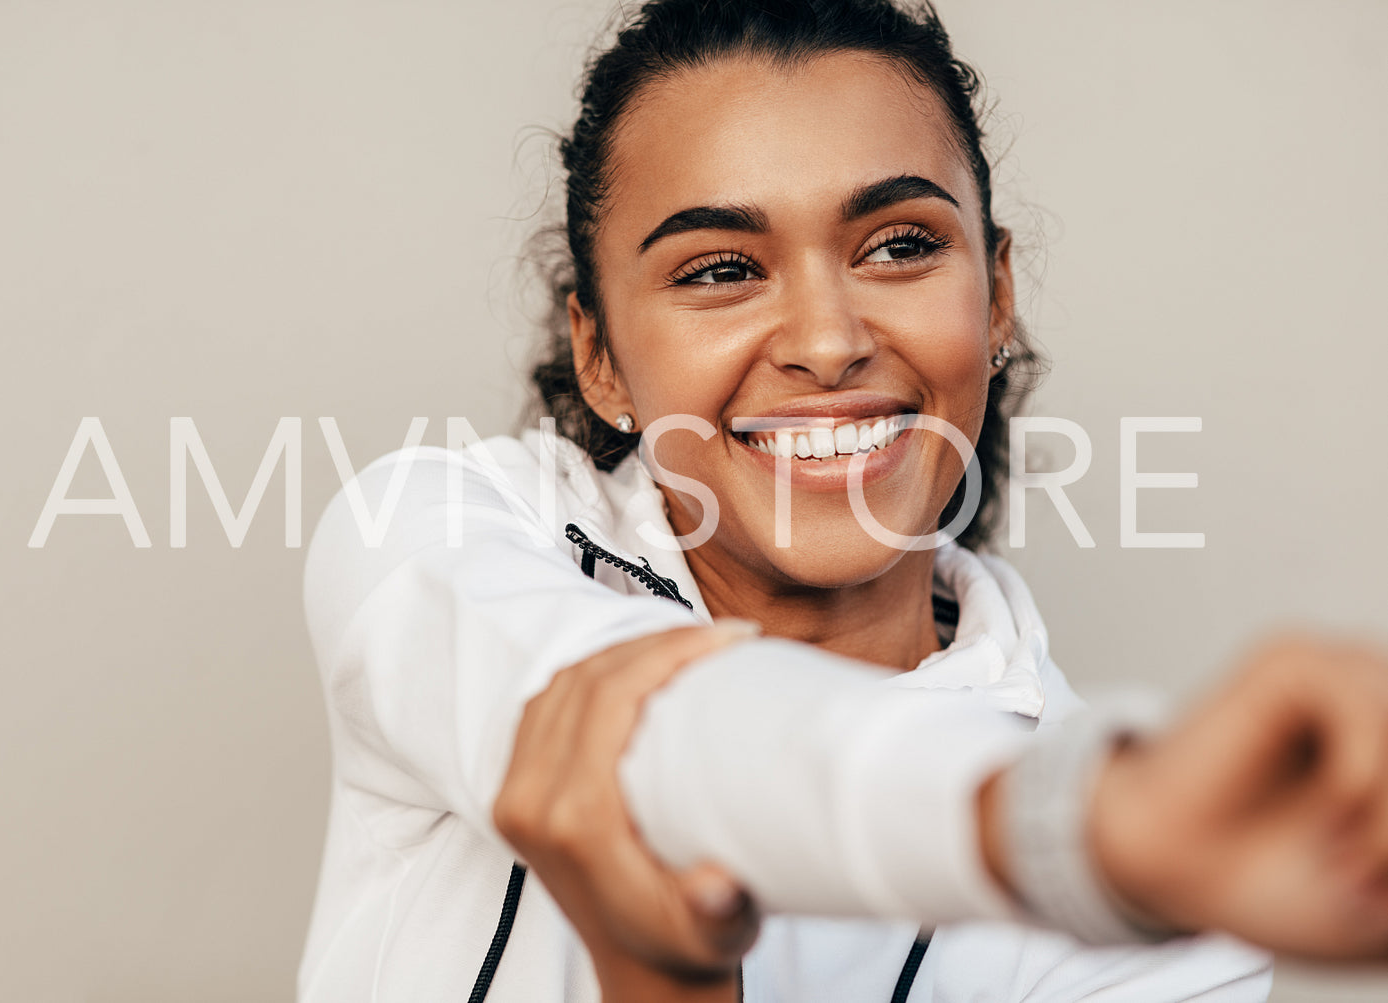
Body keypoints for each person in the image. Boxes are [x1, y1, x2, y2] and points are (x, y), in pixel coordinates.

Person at [297, 1, 1388, 1000]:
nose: (827, 342)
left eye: (899, 246)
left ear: (994, 294)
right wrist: (1084, 832)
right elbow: (635, 730)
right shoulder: (436, 527)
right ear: (600, 356)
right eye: (719, 268)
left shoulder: (1192, 920)